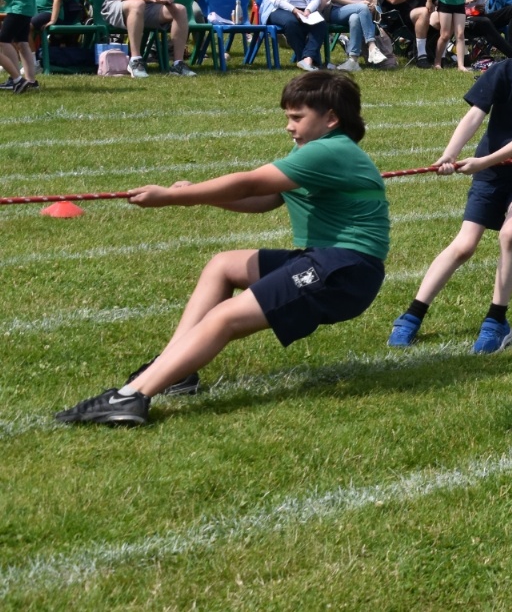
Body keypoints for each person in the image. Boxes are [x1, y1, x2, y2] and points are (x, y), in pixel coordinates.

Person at [55, 72, 390, 426]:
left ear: (331, 118)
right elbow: (267, 198)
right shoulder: (313, 149)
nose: (289, 126)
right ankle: (175, 370)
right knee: (223, 265)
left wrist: (175, 197)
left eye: (297, 117)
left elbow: (250, 184)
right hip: (329, 260)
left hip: (345, 269)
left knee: (224, 317)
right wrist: (197, 194)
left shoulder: (329, 151)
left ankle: (130, 398)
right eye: (287, 117)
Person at [385, 2, 512, 353]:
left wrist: (482, 161)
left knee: (511, 234)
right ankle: (412, 315)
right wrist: (450, 153)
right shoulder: (505, 70)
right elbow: (475, 115)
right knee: (464, 246)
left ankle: (496, 321)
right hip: (491, 173)